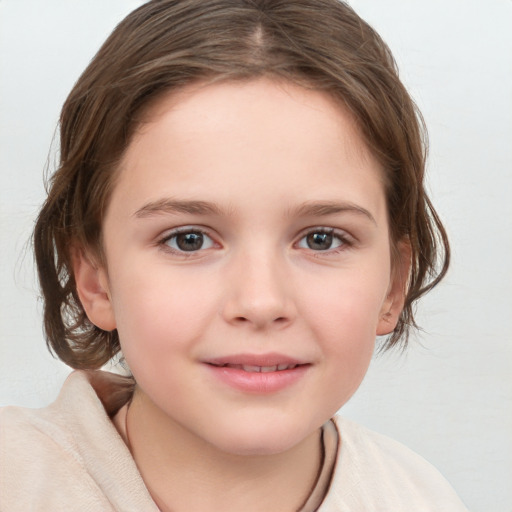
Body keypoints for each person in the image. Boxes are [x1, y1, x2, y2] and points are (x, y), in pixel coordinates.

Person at [0, 0, 469, 510]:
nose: (261, 302)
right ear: (95, 279)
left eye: (321, 239)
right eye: (189, 239)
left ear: (393, 285)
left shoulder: (421, 498)